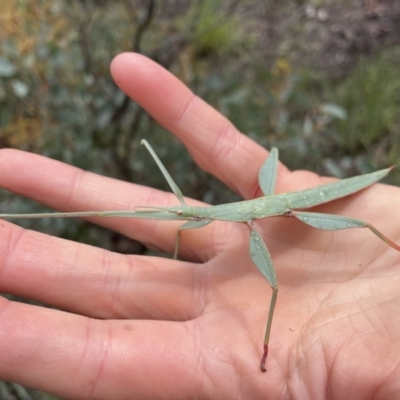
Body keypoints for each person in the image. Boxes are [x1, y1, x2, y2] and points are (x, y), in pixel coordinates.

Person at [0, 53, 399, 399]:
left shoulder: (250, 221)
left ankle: (265, 344)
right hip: (269, 206)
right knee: (171, 223)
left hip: (300, 205)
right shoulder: (204, 219)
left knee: (349, 230)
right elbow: (178, 223)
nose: (184, 218)